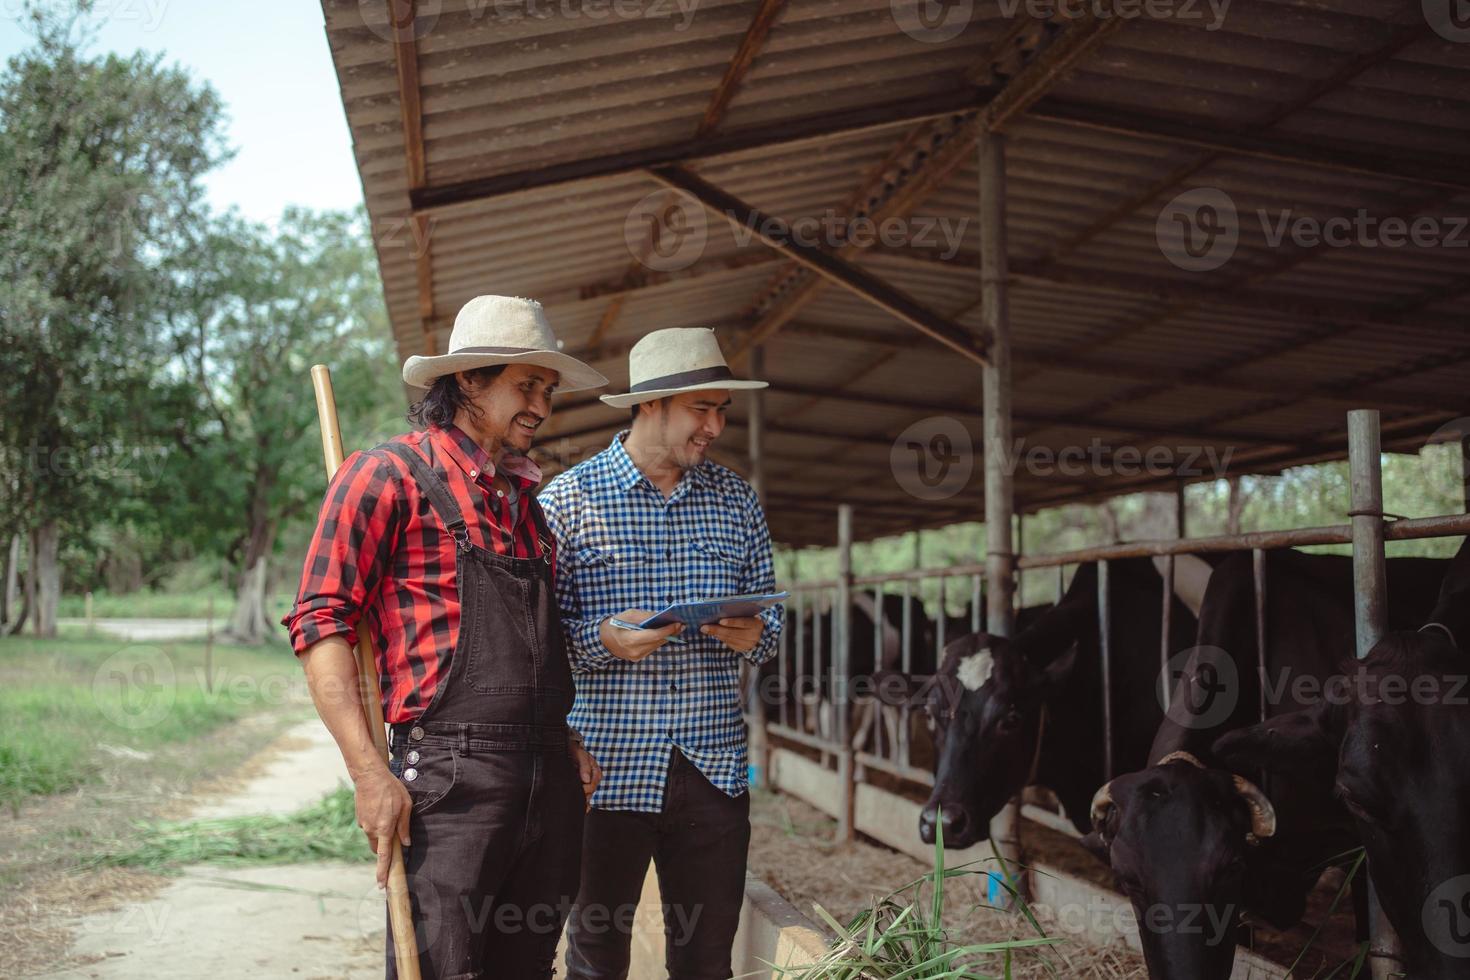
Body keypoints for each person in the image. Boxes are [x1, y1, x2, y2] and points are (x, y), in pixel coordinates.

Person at [283, 295, 608, 979]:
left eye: (547, 390)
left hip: (548, 778)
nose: (542, 407)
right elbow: (321, 623)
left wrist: (560, 733)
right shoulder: (389, 476)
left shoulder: (526, 506)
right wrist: (369, 772)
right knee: (441, 969)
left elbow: (532, 647)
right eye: (527, 386)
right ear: (468, 381)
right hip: (450, 780)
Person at [539, 326, 784, 980]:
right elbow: (534, 644)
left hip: (712, 773)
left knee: (706, 964)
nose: (715, 426)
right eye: (701, 408)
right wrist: (602, 640)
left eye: (721, 410)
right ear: (650, 404)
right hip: (604, 771)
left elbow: (775, 613)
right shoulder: (566, 503)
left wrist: (759, 634)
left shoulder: (735, 500)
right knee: (595, 962)